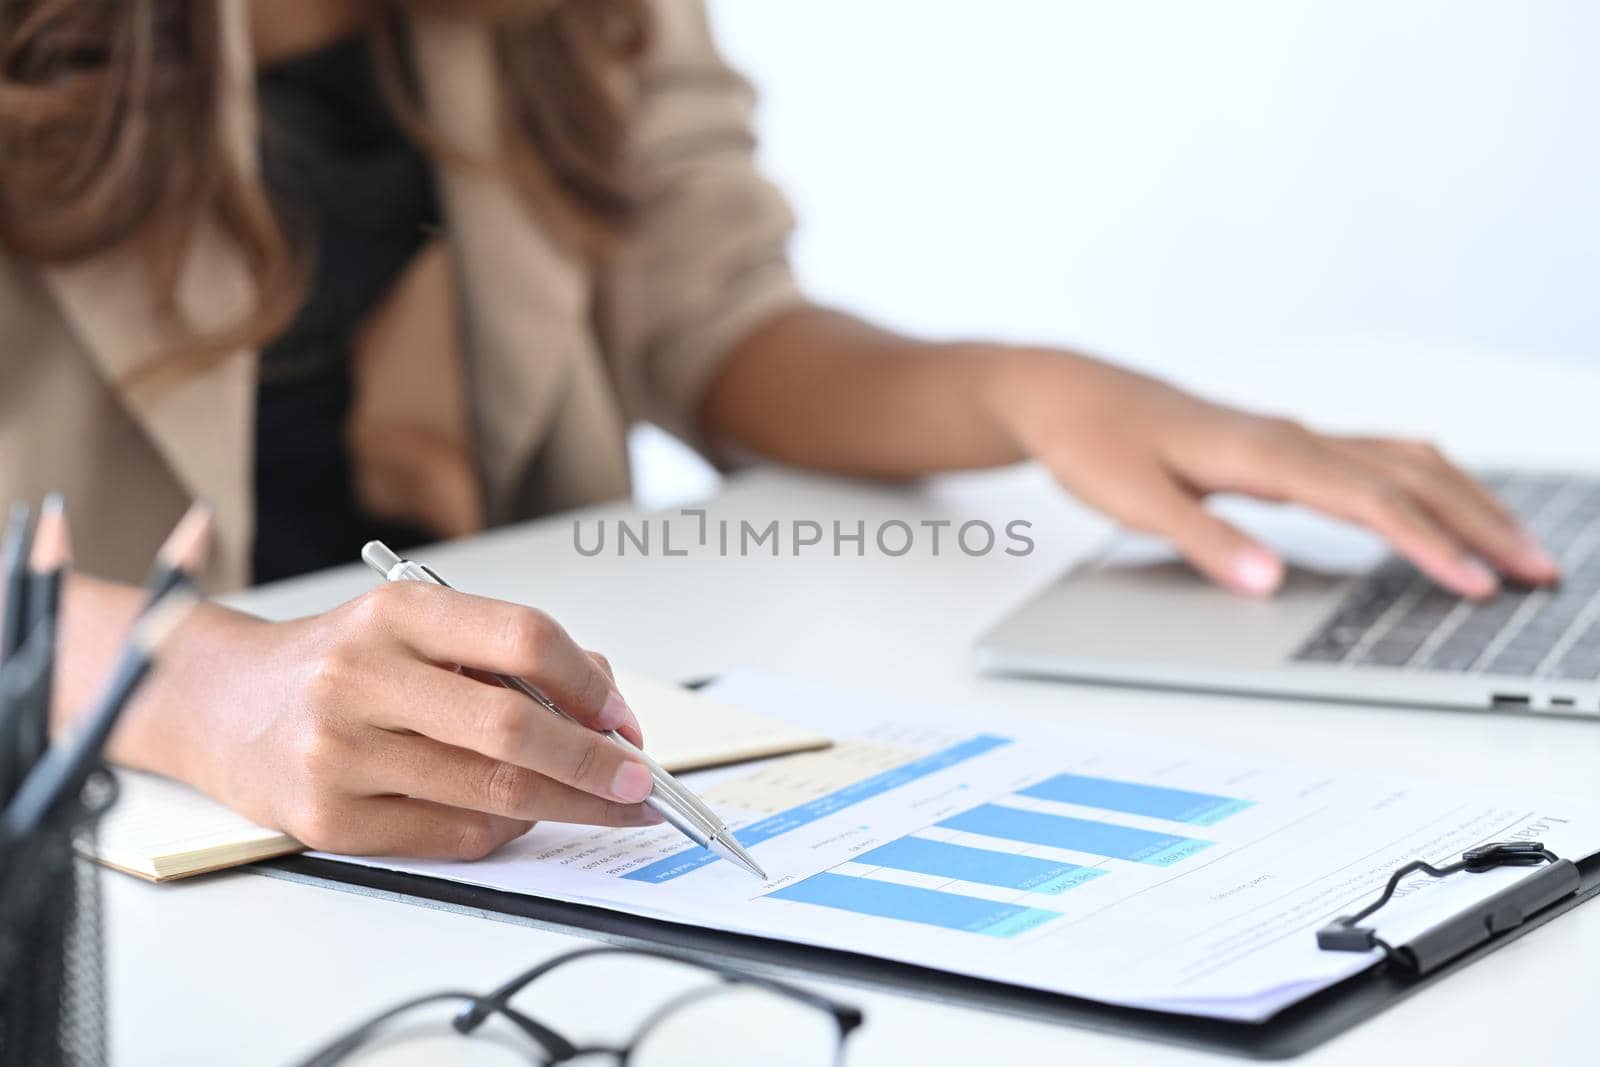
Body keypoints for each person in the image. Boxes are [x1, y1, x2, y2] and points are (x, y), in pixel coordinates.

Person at [0, 0, 1558, 859]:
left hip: (474, 827)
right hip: (123, 854)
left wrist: (1026, 390)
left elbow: (713, 317)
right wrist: (199, 685)